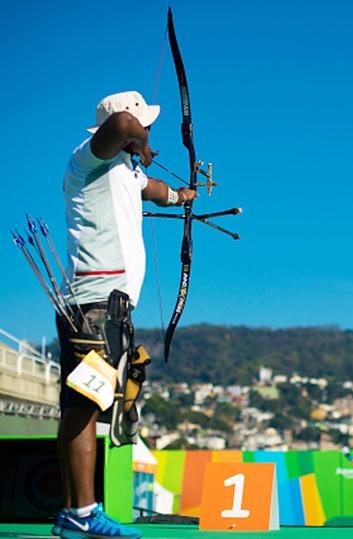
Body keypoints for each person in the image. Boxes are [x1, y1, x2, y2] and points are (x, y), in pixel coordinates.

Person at [53, 91, 196, 539]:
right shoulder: (88, 159)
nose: (149, 133)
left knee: (90, 404)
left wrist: (180, 194)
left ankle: (78, 512)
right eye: (146, 126)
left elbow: (151, 188)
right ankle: (79, 514)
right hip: (93, 307)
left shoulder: (122, 169)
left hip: (110, 308)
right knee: (82, 406)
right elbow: (120, 128)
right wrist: (142, 145)